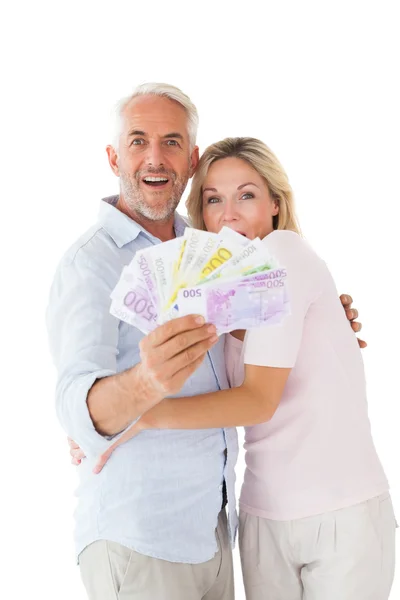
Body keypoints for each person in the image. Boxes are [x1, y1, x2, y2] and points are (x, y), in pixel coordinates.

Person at [47, 82, 362, 600]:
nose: (155, 156)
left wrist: (318, 320)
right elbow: (78, 410)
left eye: (172, 142)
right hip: (138, 534)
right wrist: (142, 386)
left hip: (214, 535)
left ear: (191, 159)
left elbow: (255, 333)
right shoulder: (90, 264)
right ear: (112, 157)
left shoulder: (212, 250)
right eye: (137, 141)